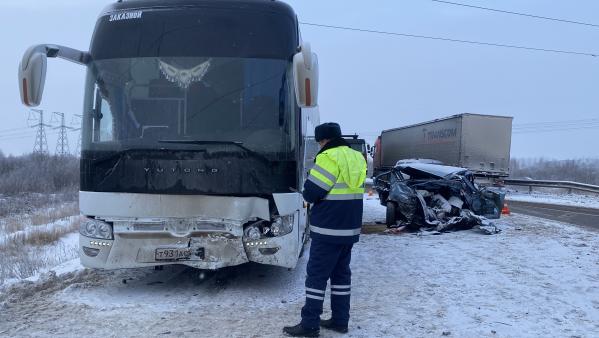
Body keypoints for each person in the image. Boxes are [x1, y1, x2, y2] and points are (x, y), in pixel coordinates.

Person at [284, 123, 367, 337]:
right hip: (349, 230)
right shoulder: (356, 157)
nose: (320, 144)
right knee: (341, 277)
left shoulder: (328, 157)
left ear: (324, 140)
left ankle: (309, 324)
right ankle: (340, 320)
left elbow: (313, 192)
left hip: (328, 228)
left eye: (320, 141)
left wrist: (306, 189)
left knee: (316, 277)